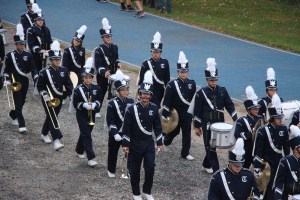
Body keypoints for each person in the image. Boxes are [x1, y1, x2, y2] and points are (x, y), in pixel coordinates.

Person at [122, 71, 163, 200]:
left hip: (148, 143)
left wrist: (160, 143)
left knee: (150, 167)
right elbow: (126, 128)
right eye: (143, 93)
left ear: (150, 95)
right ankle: (136, 193)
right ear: (139, 94)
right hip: (134, 144)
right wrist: (125, 145)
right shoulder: (131, 109)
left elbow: (157, 127)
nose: (145, 96)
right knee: (134, 170)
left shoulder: (154, 108)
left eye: (148, 94)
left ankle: (147, 191)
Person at [193, 58, 237, 174]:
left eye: (215, 79)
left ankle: (206, 164)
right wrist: (197, 126)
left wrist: (236, 119)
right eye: (211, 80)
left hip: (219, 122)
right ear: (207, 79)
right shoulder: (201, 93)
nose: (213, 82)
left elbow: (229, 105)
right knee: (210, 146)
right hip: (207, 123)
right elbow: (197, 111)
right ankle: (217, 171)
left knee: (214, 145)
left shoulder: (222, 91)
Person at [37, 40, 73, 150]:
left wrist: (71, 94)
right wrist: (44, 93)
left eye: (59, 59)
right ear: (51, 60)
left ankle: (44, 133)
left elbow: (68, 84)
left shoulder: (64, 70)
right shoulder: (44, 72)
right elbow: (40, 86)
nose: (57, 61)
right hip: (48, 98)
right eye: (55, 59)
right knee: (53, 117)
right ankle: (57, 140)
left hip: (59, 97)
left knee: (52, 116)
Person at [252, 93, 290, 200]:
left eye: (281, 117)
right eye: (278, 118)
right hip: (266, 163)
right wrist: (257, 167)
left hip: (278, 163)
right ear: (272, 118)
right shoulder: (263, 131)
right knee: (262, 187)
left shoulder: (283, 129)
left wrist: (286, 161)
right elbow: (257, 150)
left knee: (275, 187)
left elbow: (286, 148)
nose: (280, 120)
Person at [2, 24, 38, 133]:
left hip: (24, 80)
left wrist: (36, 76)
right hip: (14, 81)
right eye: (20, 44)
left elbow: (33, 68)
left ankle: (12, 115)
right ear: (16, 44)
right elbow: (6, 69)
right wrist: (7, 79)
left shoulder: (28, 55)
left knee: (22, 102)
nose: (22, 46)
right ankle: (22, 125)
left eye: (23, 44)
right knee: (18, 102)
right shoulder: (10, 55)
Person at [162, 51, 196, 160]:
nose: (183, 73)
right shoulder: (172, 85)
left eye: (185, 71)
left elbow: (194, 100)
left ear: (188, 72)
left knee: (187, 133)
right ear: (178, 71)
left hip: (187, 113)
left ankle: (185, 153)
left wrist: (194, 115)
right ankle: (166, 141)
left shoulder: (192, 83)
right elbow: (167, 100)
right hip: (175, 113)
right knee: (174, 131)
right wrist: (165, 114)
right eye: (181, 71)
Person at [73, 57, 101, 167]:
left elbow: (99, 100)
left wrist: (95, 105)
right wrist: (83, 105)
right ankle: (91, 157)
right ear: (83, 77)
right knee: (87, 135)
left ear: (92, 78)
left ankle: (79, 149)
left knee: (86, 133)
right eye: (86, 77)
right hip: (81, 114)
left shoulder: (97, 88)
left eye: (89, 77)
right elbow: (75, 104)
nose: (88, 79)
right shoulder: (78, 89)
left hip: (92, 114)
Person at [106, 70, 134, 178]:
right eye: (122, 90)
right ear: (118, 91)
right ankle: (111, 169)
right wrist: (114, 133)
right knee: (113, 152)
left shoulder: (131, 102)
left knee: (129, 152)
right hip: (116, 132)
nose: (125, 92)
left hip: (127, 132)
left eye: (126, 90)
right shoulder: (112, 103)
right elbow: (110, 120)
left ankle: (129, 170)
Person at [93, 18, 121, 117]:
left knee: (114, 92)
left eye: (109, 36)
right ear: (102, 37)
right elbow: (98, 64)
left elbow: (116, 58)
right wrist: (104, 72)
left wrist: (118, 63)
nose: (108, 38)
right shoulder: (99, 50)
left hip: (113, 74)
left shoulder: (115, 47)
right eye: (106, 36)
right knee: (101, 92)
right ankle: (96, 110)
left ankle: (113, 111)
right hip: (103, 75)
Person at [137, 32, 170, 108]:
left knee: (156, 108)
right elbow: (141, 80)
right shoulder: (145, 64)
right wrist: (140, 93)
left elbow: (167, 80)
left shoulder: (165, 62)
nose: (155, 54)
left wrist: (167, 93)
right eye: (154, 52)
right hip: (147, 90)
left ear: (160, 52)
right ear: (151, 52)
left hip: (159, 91)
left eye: (157, 52)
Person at [234, 86, 263, 168]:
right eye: (254, 109)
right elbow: (238, 135)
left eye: (257, 108)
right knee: (244, 168)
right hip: (247, 149)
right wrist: (252, 133)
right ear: (248, 109)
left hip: (259, 149)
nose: (257, 110)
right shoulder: (242, 121)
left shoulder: (261, 118)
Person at [273, 125, 300, 200]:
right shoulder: (285, 161)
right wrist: (278, 197)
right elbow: (279, 182)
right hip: (289, 196)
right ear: (295, 149)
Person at [61, 25, 86, 103]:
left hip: (78, 71)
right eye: (75, 40)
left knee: (79, 84)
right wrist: (66, 72)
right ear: (73, 39)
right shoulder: (67, 50)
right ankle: (64, 97)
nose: (76, 42)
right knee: (67, 84)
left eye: (78, 41)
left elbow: (82, 62)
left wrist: (82, 71)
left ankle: (76, 97)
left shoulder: (82, 49)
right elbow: (65, 63)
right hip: (69, 70)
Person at [27, 3, 52, 72]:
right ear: (35, 21)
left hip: (46, 54)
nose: (41, 22)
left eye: (42, 20)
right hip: (36, 55)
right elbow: (31, 44)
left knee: (47, 70)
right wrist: (39, 50)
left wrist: (51, 49)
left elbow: (49, 40)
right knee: (37, 70)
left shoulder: (46, 29)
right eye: (39, 20)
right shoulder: (31, 30)